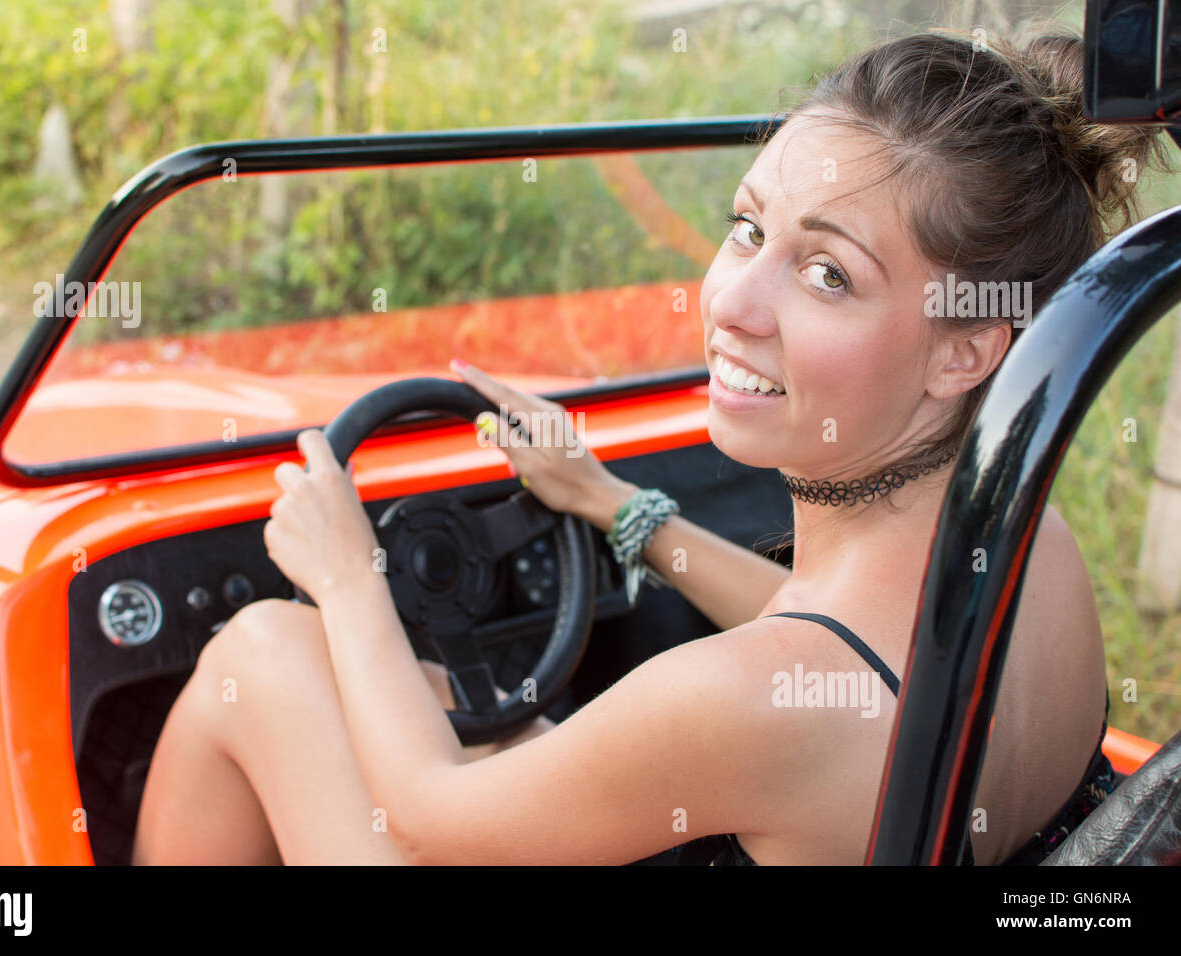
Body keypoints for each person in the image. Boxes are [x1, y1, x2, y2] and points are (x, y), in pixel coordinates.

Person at [132, 26, 1169, 865]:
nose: (731, 304)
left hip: (471, 808)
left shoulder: (746, 701)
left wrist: (350, 575)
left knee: (265, 649)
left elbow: (429, 817)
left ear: (965, 352)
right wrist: (609, 502)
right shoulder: (1033, 544)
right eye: (750, 229)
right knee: (441, 696)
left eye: (828, 276)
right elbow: (835, 658)